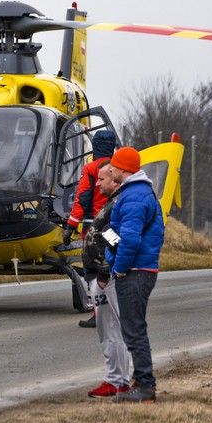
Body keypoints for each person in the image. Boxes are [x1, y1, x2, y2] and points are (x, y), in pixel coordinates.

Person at [105, 147, 164, 404]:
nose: (109, 170)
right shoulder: (135, 192)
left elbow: (130, 239)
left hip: (135, 270)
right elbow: (122, 235)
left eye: (113, 166)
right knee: (133, 327)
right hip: (139, 268)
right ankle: (143, 383)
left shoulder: (134, 196)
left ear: (123, 169)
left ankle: (144, 387)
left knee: (133, 329)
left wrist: (118, 267)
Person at [83, 161, 131, 398]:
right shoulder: (112, 203)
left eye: (102, 179)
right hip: (104, 275)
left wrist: (104, 271)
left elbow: (115, 239)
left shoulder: (117, 205)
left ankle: (116, 380)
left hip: (107, 278)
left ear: (114, 179)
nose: (98, 183)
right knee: (110, 330)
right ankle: (117, 380)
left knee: (112, 330)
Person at [63, 129, 116, 329]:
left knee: (93, 269)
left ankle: (98, 314)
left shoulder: (92, 169)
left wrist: (70, 227)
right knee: (113, 264)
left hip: (93, 228)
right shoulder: (117, 168)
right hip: (113, 227)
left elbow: (82, 198)